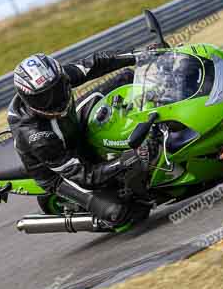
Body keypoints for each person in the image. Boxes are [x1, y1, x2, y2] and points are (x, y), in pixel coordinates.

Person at [8, 51, 139, 226]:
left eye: (57, 89)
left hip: (71, 126)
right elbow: (85, 176)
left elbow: (94, 64)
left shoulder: (55, 79)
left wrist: (138, 55)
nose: (55, 99)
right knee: (120, 212)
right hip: (60, 172)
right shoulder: (37, 137)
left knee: (127, 77)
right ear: (28, 99)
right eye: (45, 98)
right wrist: (124, 161)